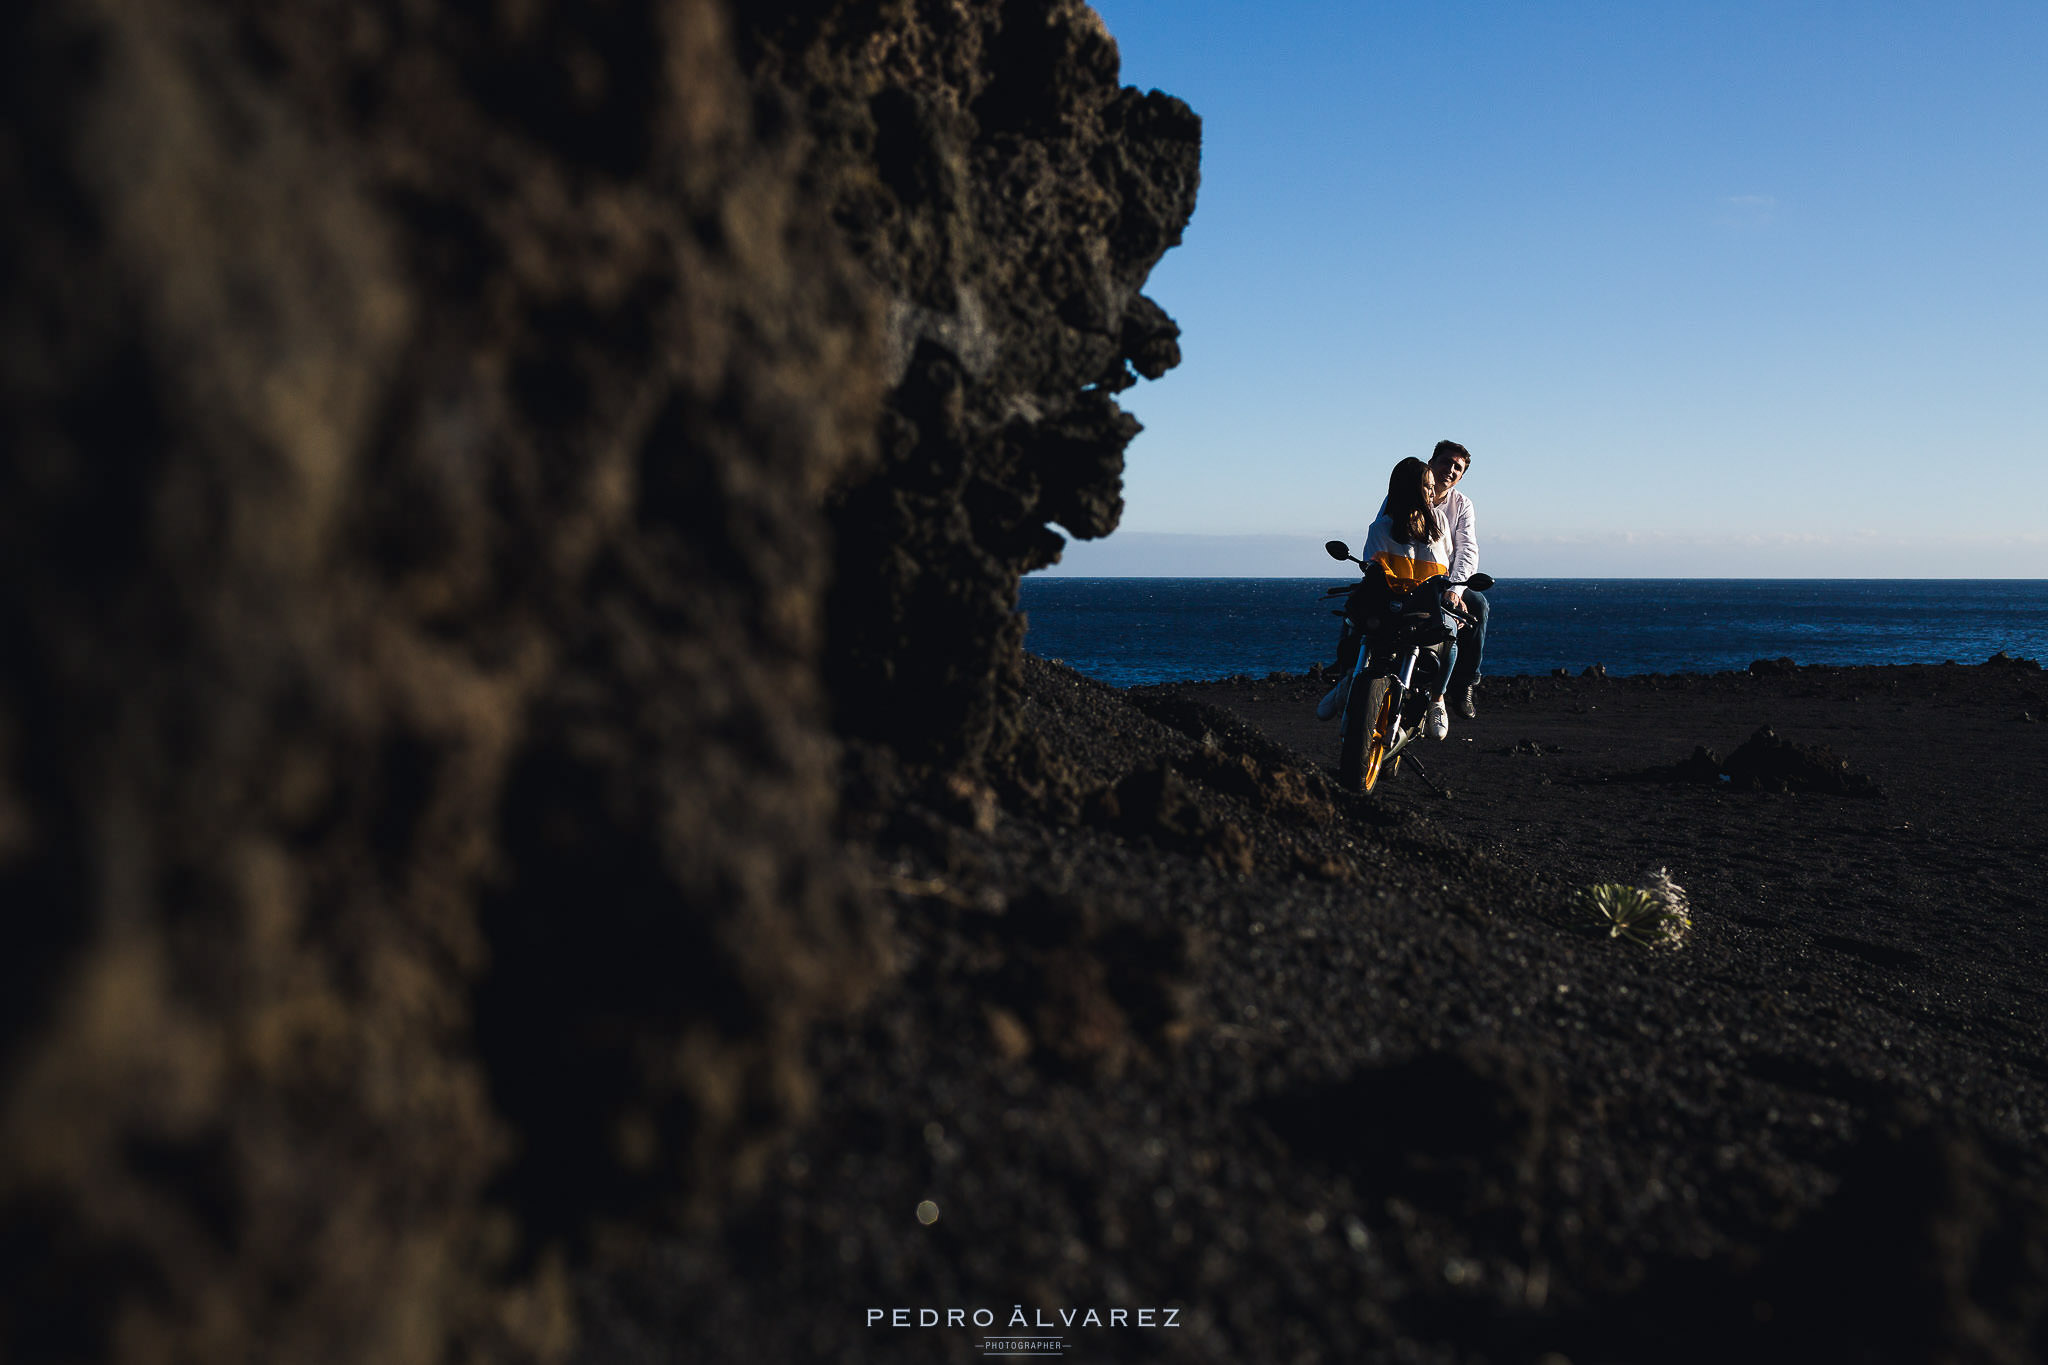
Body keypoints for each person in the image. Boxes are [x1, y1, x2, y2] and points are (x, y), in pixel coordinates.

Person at [1422, 440, 1487, 719]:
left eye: (1457, 467)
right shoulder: (1404, 493)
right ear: (1431, 462)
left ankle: (1464, 685)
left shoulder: (1462, 505)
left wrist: (1456, 589)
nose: (1450, 469)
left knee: (1480, 606)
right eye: (1445, 462)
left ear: (1461, 475)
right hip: (1406, 577)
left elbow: (1467, 549)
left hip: (1446, 582)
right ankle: (1346, 669)